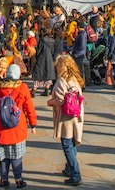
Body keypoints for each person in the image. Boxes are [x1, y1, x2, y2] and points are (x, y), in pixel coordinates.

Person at [0, 63, 38, 189]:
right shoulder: (22, 87)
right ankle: (19, 180)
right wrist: (33, 124)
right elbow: (29, 107)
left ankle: (3, 180)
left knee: (3, 157)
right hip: (17, 128)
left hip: (0, 128)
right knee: (16, 156)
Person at [49, 54, 85, 186]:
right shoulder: (75, 79)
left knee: (67, 145)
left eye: (58, 66)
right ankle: (69, 168)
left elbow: (59, 100)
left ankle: (75, 174)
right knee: (72, 143)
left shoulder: (61, 81)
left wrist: (50, 102)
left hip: (66, 117)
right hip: (76, 116)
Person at [31, 26, 56, 96]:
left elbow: (39, 50)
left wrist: (37, 56)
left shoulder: (42, 40)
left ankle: (34, 90)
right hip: (49, 58)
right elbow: (52, 51)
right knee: (48, 74)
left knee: (38, 74)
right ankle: (46, 89)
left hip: (41, 57)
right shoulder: (52, 41)